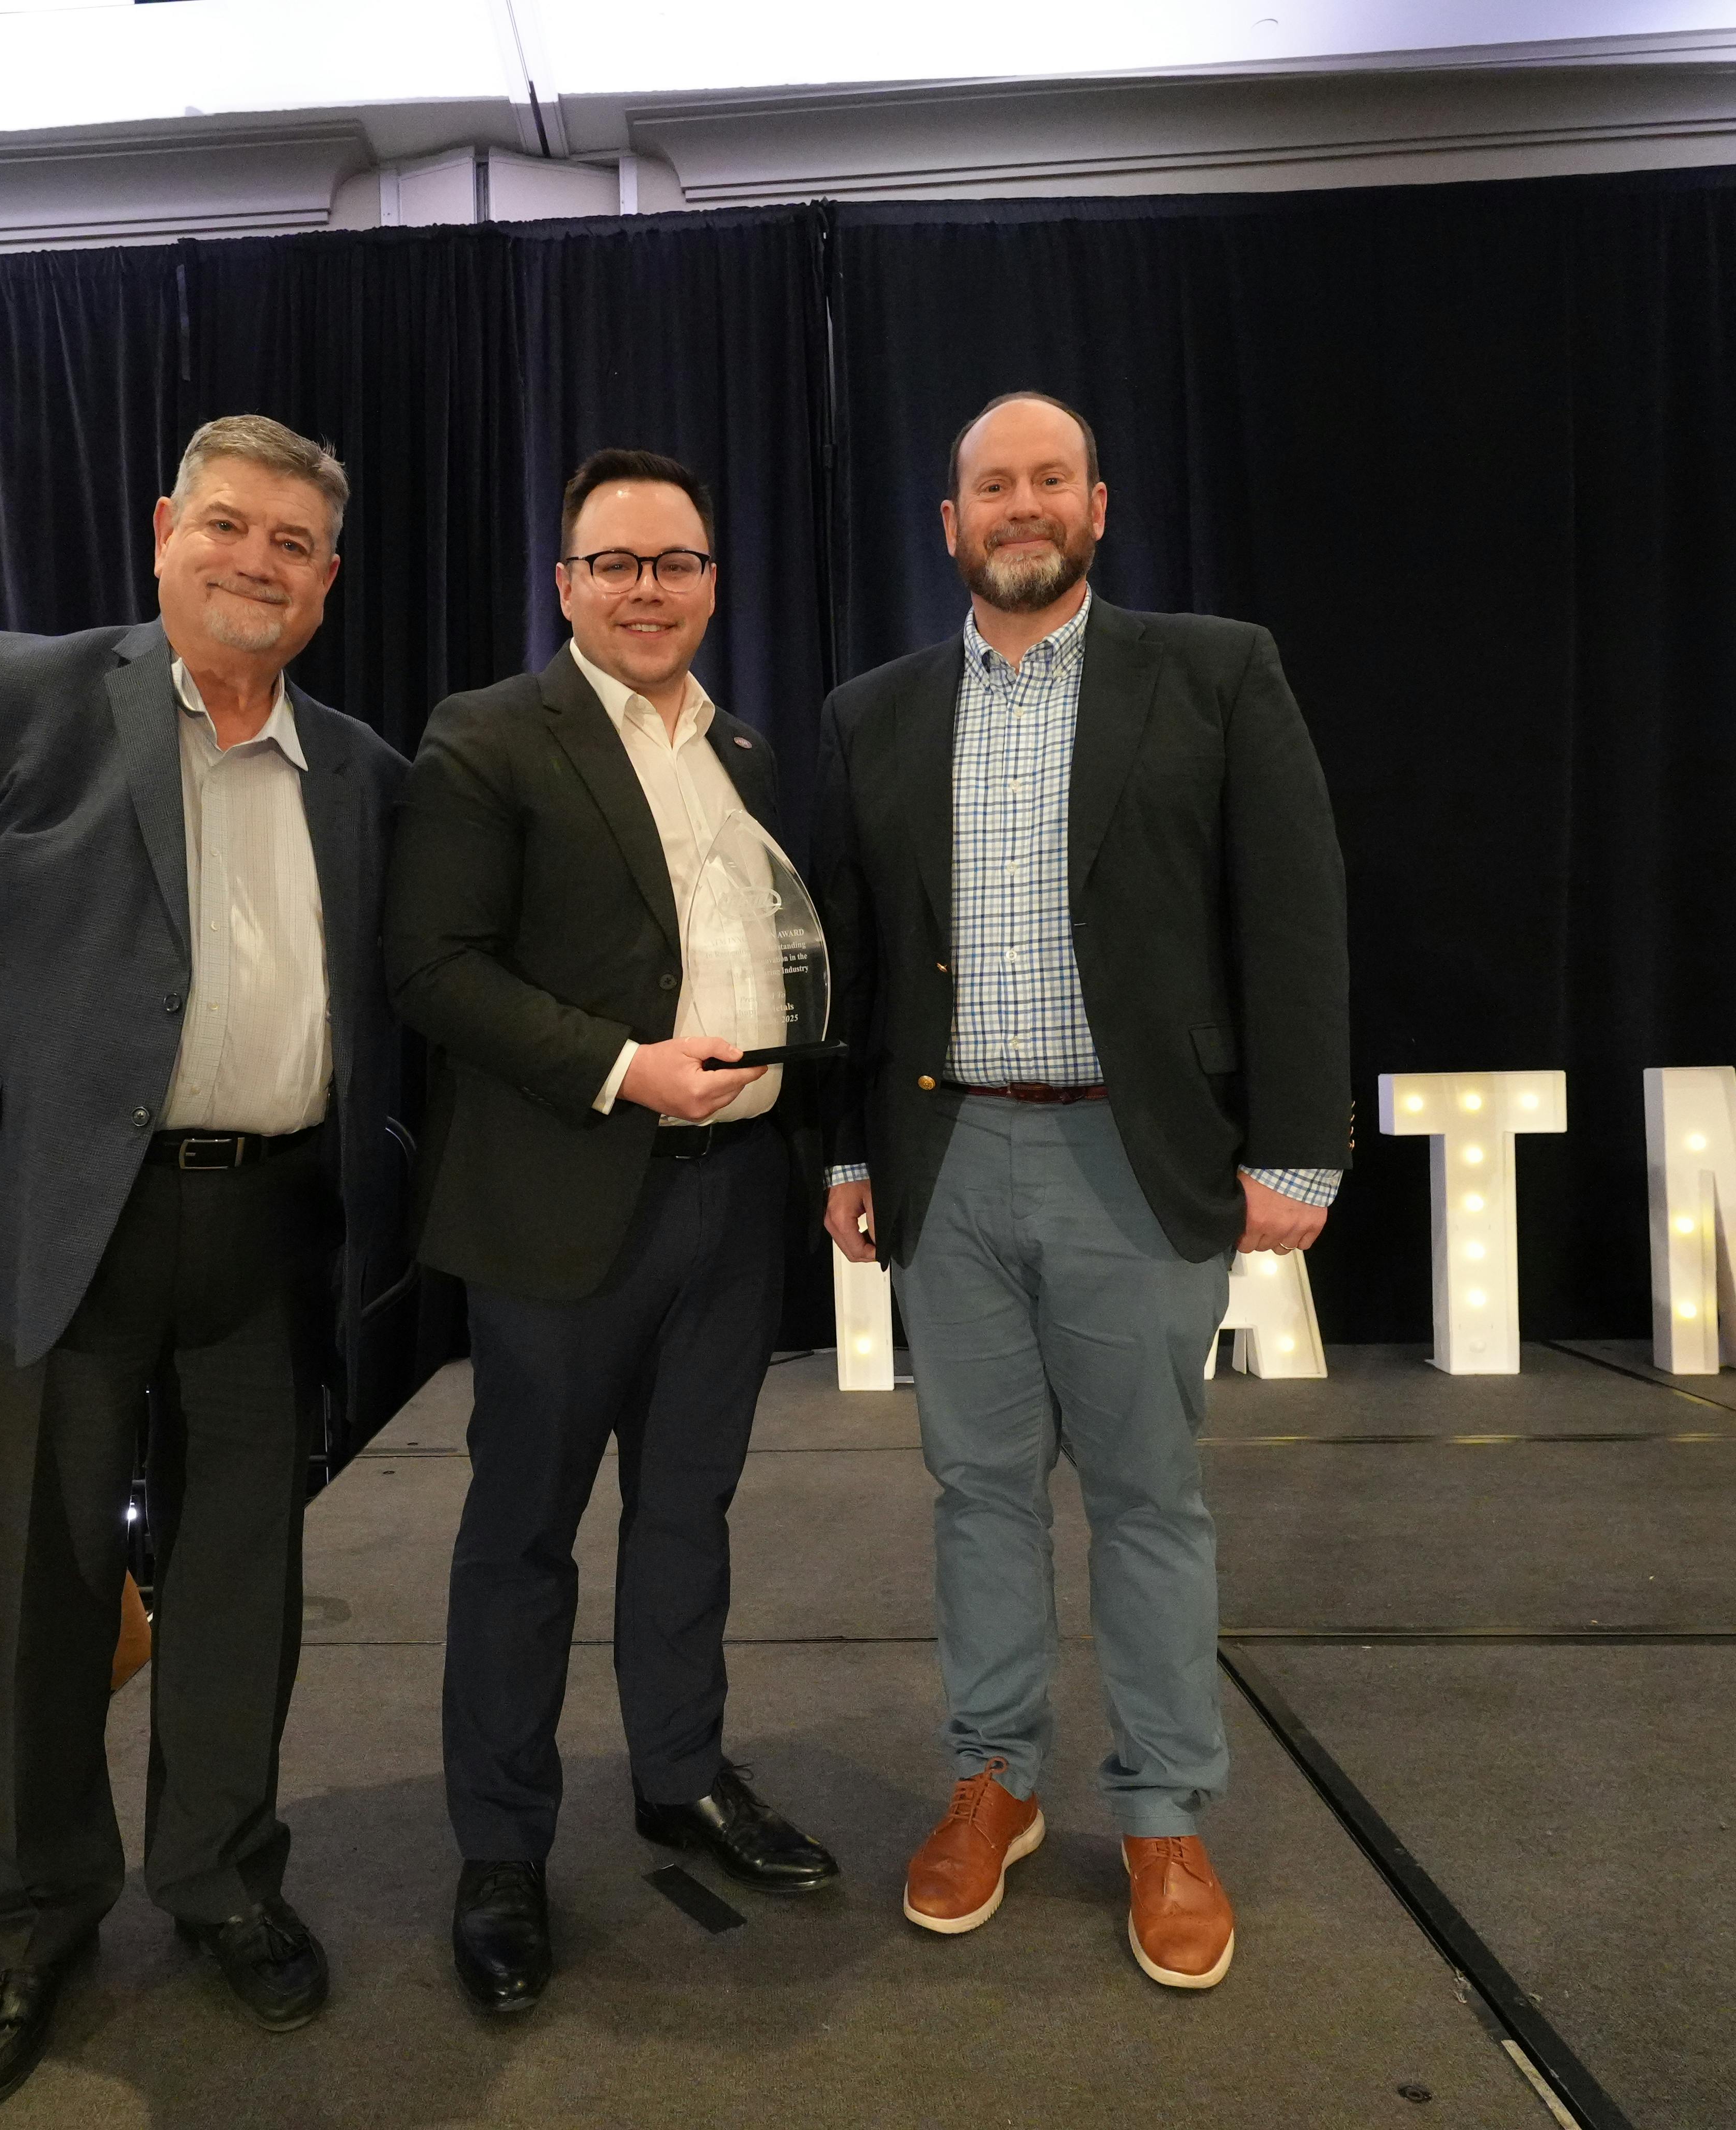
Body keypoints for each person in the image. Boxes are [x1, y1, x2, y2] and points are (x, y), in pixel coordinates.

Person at [0, 415, 410, 2106]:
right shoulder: (10, 691)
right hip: (38, 1218)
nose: (256, 561)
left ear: (328, 579)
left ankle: (219, 1876)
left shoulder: (365, 770)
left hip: (266, 1223)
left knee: (241, 1577)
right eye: (228, 524)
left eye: (292, 542)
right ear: (164, 529)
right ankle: (35, 1909)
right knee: (31, 1582)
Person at [816, 392, 1349, 1991]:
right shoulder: (872, 713)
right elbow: (853, 956)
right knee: (978, 1493)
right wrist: (847, 1149)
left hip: (1137, 1154)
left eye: (1051, 479)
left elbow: (1295, 913)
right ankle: (995, 1780)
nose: (1023, 504)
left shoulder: (1216, 673)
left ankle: (1165, 1814)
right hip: (950, 1158)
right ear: (951, 523)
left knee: (1145, 1499)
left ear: (1098, 507)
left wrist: (1298, 1146)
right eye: (994, 485)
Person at [387, 447, 841, 2020]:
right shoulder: (487, 736)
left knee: (688, 1514)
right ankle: (501, 1851)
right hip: (561, 1201)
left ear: (714, 581)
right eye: (617, 563)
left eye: (677, 562)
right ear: (566, 584)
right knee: (522, 1539)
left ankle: (681, 1777)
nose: (649, 589)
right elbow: (432, 968)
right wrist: (620, 1067)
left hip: (732, 1197)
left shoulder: (746, 752)